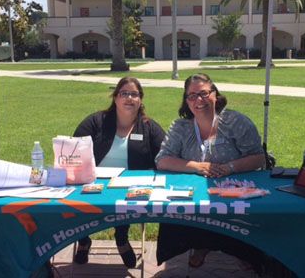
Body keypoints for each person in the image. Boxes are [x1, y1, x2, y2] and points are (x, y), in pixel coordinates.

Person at [155, 73, 267, 272]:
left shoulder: (236, 121)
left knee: (239, 216)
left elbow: (259, 158)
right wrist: (198, 167)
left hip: (234, 190)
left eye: (204, 94)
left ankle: (243, 251)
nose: (199, 100)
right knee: (180, 214)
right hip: (194, 194)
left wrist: (229, 168)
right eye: (192, 96)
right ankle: (201, 245)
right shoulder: (180, 127)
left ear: (215, 95)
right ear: (186, 101)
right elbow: (162, 160)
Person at [72, 77, 165, 268]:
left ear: (140, 100)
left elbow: (165, 155)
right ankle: (83, 240)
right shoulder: (96, 121)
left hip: (129, 187)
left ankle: (121, 238)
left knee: (124, 201)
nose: (129, 98)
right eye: (124, 93)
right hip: (93, 182)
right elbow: (73, 149)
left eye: (134, 94)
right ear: (115, 98)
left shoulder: (149, 127)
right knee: (77, 201)